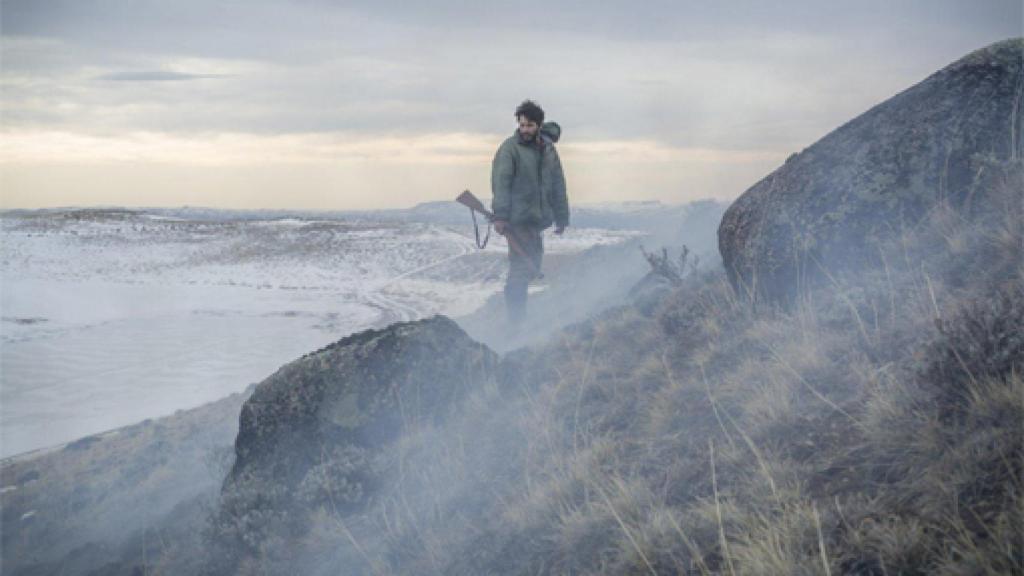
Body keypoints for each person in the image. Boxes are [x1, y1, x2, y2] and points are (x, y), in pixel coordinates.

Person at [491, 99, 570, 325]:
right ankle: (515, 323)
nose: (525, 129)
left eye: (530, 125)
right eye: (522, 125)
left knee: (532, 265)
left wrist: (562, 217)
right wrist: (501, 216)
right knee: (520, 268)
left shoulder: (547, 149)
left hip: (537, 222)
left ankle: (519, 319)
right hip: (517, 221)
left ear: (539, 125)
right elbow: (501, 182)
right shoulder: (509, 149)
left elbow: (558, 183)